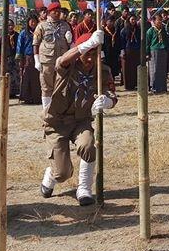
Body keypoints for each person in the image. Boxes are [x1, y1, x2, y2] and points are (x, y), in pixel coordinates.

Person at [39, 30, 115, 206]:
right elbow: (61, 60)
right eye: (87, 54)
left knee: (88, 145)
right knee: (63, 173)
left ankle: (84, 189)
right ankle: (51, 175)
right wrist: (86, 45)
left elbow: (112, 93)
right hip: (57, 122)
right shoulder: (68, 66)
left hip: (81, 121)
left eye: (95, 54)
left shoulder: (102, 71)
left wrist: (108, 101)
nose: (90, 59)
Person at [33, 2, 72, 111]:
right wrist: (37, 59)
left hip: (62, 60)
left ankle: (59, 110)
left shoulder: (65, 25)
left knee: (61, 86)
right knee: (46, 86)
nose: (58, 13)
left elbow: (70, 43)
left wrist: (70, 40)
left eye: (59, 12)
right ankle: (47, 111)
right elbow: (35, 43)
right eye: (55, 11)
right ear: (50, 12)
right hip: (47, 60)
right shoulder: (42, 25)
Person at [16, 15, 41, 104]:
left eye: (34, 21)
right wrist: (19, 59)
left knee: (37, 78)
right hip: (27, 57)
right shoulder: (23, 33)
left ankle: (36, 98)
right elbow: (19, 46)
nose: (33, 23)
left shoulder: (39, 32)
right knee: (26, 77)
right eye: (31, 21)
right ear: (28, 22)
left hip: (38, 57)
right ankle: (26, 97)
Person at [146, 13, 168, 94]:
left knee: (162, 70)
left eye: (161, 20)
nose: (160, 21)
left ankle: (162, 87)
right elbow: (147, 43)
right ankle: (153, 86)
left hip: (162, 50)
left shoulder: (163, 29)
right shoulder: (150, 31)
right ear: (154, 21)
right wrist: (147, 53)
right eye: (158, 20)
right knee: (154, 70)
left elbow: (166, 39)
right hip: (154, 50)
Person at [120, 14, 140, 91]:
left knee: (135, 68)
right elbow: (122, 42)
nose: (133, 21)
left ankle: (135, 84)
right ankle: (128, 86)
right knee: (127, 69)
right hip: (127, 51)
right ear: (129, 20)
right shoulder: (124, 30)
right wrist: (122, 51)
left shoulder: (138, 29)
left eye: (134, 19)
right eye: (132, 19)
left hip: (136, 51)